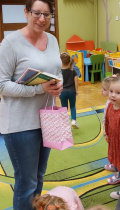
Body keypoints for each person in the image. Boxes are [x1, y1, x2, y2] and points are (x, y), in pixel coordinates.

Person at [0, 0, 63, 209]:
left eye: (47, 14)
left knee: (38, 176)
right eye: (37, 13)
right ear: (26, 12)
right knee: (26, 183)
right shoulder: (10, 43)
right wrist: (39, 89)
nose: (42, 19)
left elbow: (57, 69)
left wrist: (58, 85)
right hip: (19, 125)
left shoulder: (52, 40)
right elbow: (1, 85)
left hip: (48, 119)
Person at [60, 52, 79, 129]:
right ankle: (73, 121)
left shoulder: (59, 71)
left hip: (62, 92)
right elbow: (76, 80)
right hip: (71, 91)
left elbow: (58, 82)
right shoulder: (72, 70)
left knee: (64, 108)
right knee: (73, 106)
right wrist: (76, 90)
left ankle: (64, 124)